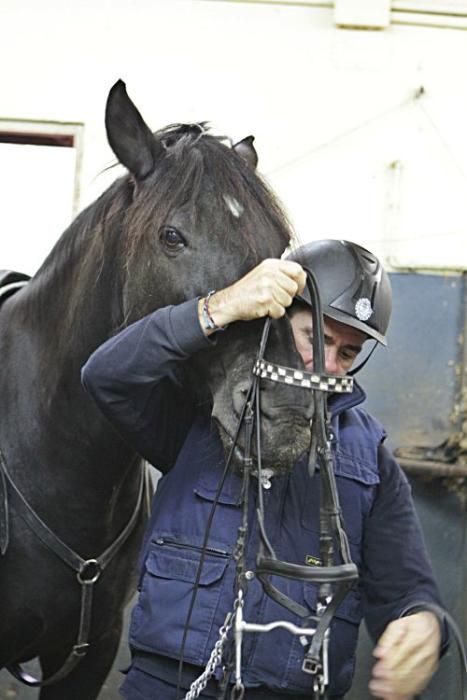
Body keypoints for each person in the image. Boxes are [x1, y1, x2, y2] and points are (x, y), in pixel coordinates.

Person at [82, 239, 447, 700]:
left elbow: (407, 587)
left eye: (348, 353)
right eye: (315, 337)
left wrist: (423, 622)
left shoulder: (370, 459)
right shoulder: (201, 414)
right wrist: (217, 309)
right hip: (169, 684)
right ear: (273, 323)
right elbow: (107, 376)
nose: (329, 364)